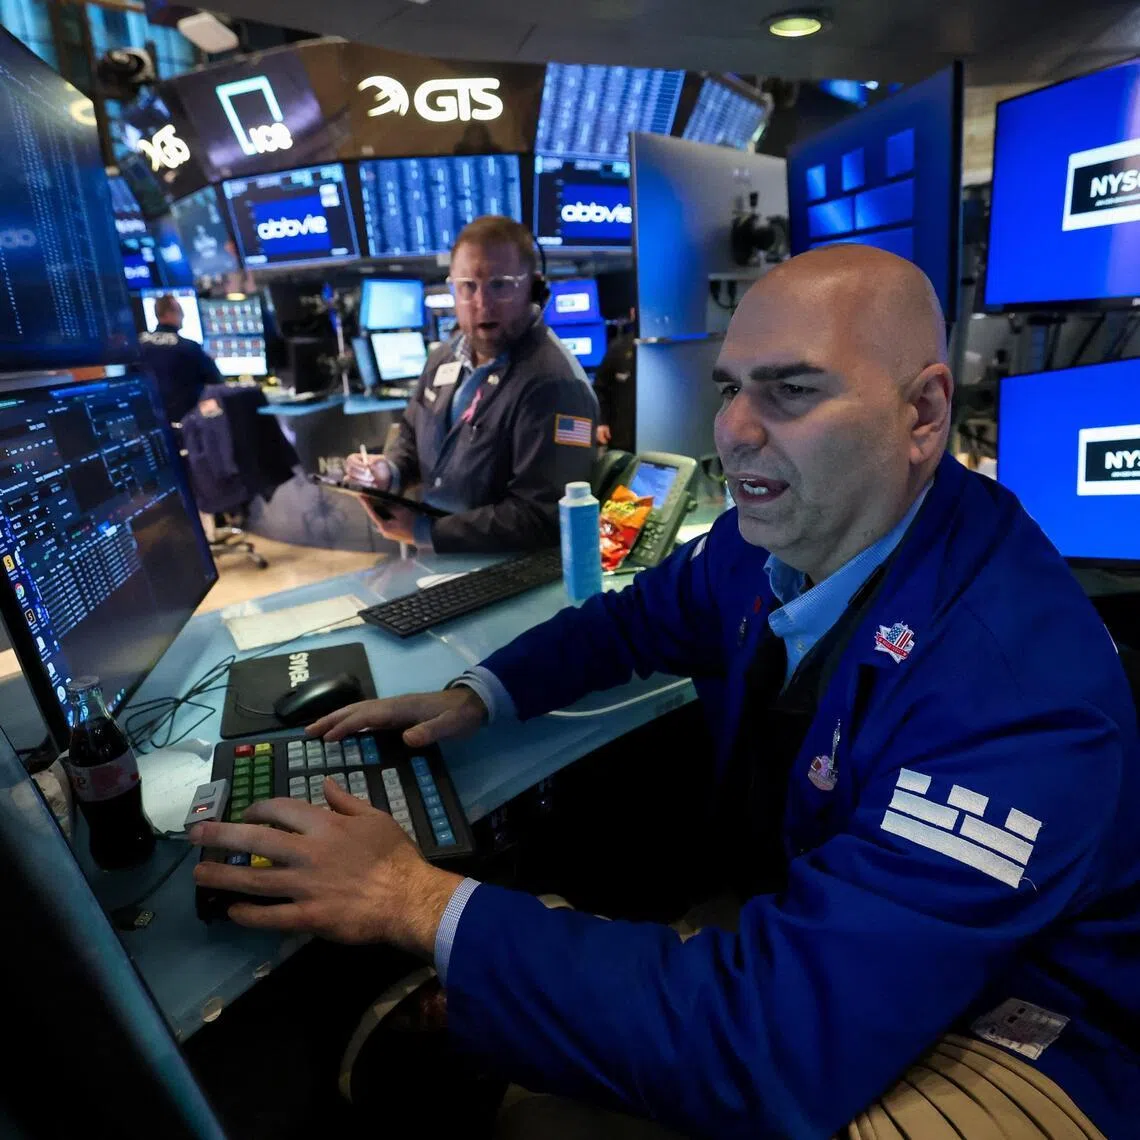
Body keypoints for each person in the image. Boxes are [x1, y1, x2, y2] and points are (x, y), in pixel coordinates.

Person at [191, 246, 1140, 1139]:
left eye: (793, 390)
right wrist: (481, 693)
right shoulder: (782, 533)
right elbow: (640, 617)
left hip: (1025, 1028)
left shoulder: (1018, 694)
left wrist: (412, 900)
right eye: (731, 389)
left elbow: (774, 1037)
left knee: (549, 1125)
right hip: (851, 951)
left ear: (923, 416)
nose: (732, 429)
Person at [345, 216, 598, 553]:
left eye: (500, 285)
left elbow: (542, 517)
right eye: (468, 286)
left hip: (506, 572)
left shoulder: (555, 385)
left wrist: (428, 531)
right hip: (441, 557)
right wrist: (387, 471)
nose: (482, 303)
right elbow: (412, 430)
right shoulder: (445, 357)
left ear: (534, 289)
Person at [138, 293, 222, 424]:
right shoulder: (189, 347)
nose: (183, 316)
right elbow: (216, 384)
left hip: (152, 423)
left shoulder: (139, 344)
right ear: (168, 314)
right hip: (186, 424)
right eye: (180, 311)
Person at [593, 307, 637, 452]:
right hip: (620, 439)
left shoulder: (668, 352)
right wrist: (601, 422)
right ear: (632, 313)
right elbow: (599, 388)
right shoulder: (619, 348)